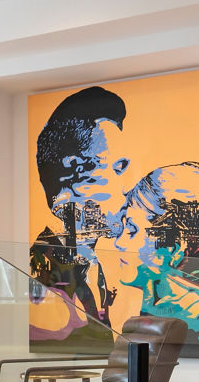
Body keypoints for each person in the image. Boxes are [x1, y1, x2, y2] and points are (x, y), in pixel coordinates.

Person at [29, 86, 131, 339]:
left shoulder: (92, 264)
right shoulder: (43, 270)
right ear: (74, 172)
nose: (127, 187)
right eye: (117, 168)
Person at [107, 162, 199, 341]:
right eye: (123, 225)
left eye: (132, 230)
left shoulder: (196, 326)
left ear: (176, 248)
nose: (119, 242)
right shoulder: (143, 306)